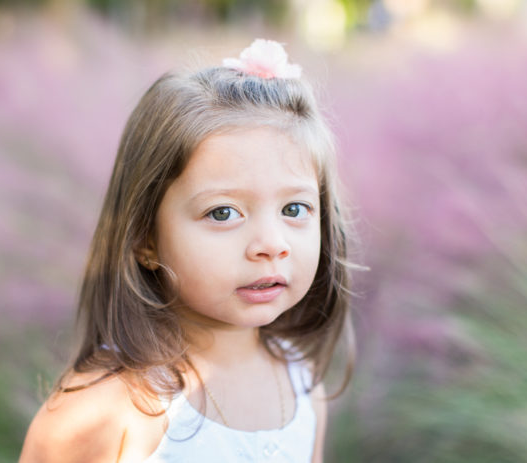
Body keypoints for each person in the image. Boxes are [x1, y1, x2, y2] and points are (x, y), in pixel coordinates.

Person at [20, 38, 355, 463]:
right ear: (145, 238)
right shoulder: (106, 409)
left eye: (294, 208)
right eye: (223, 213)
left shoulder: (303, 386)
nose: (272, 244)